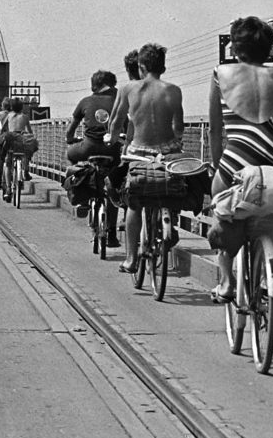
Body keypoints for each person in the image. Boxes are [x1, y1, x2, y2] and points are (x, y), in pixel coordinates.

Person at [208, 15, 273, 318]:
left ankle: (226, 282)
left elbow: (216, 131)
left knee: (220, 208)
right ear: (269, 48)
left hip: (236, 158)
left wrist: (217, 168)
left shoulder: (221, 73)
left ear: (235, 47)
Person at [108, 44, 184, 277]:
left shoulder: (128, 88)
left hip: (138, 151)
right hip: (167, 150)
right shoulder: (173, 90)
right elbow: (178, 127)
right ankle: (169, 223)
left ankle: (131, 259)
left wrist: (112, 139)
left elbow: (115, 122)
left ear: (140, 66)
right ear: (162, 66)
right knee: (171, 185)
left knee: (134, 202)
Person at [64, 70, 122, 237]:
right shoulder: (117, 102)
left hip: (88, 147)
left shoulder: (85, 101)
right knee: (113, 182)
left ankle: (80, 193)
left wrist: (71, 140)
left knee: (71, 154)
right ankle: (111, 233)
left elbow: (70, 131)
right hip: (112, 149)